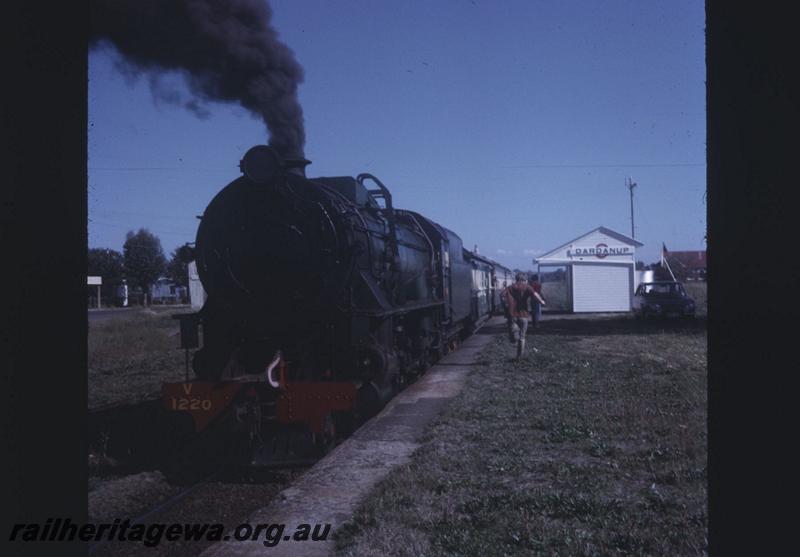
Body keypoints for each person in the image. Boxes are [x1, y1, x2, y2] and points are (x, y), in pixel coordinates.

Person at [503, 272, 545, 360]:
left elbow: (502, 295)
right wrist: (541, 302)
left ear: (516, 279)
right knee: (522, 337)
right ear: (524, 279)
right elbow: (535, 295)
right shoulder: (527, 287)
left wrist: (506, 306)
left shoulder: (510, 287)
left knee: (512, 333)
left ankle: (514, 338)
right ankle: (519, 357)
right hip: (523, 315)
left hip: (512, 315)